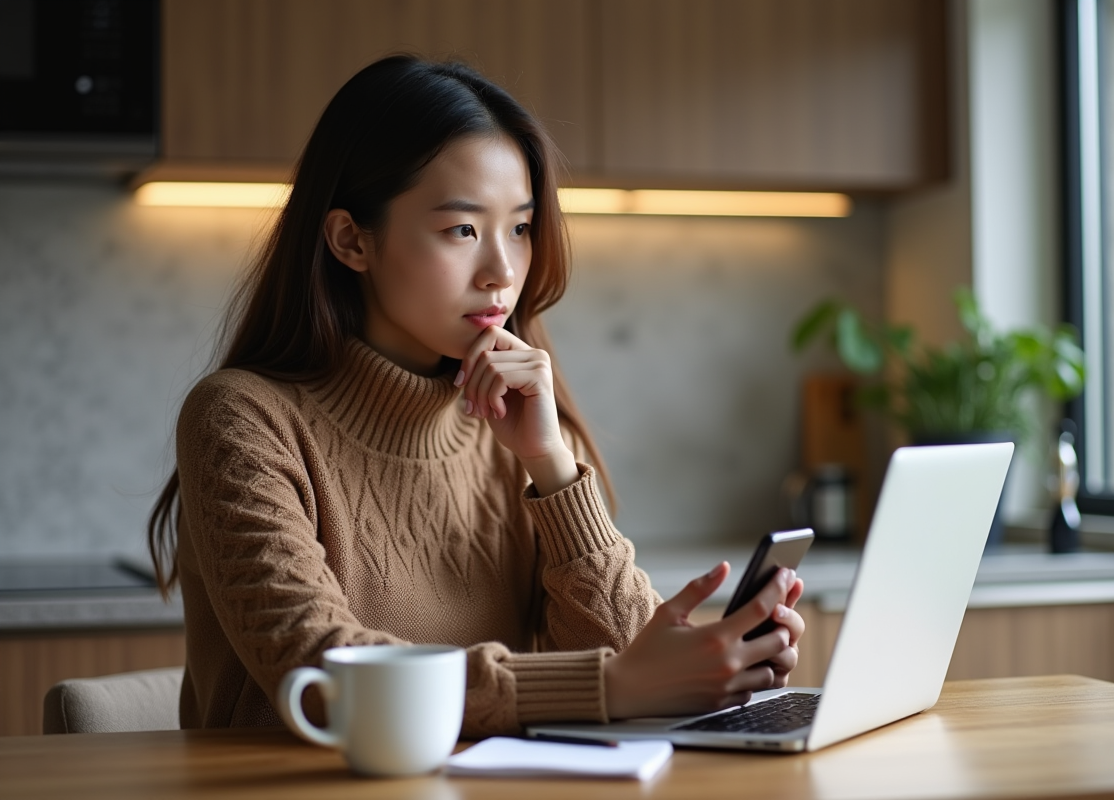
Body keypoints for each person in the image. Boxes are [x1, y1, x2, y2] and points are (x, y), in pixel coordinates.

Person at [147, 55, 805, 737]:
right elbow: (321, 673)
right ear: (351, 240)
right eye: (462, 230)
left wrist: (552, 469)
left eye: (520, 228)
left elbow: (637, 672)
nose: (502, 272)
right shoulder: (242, 419)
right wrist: (614, 682)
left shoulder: (525, 429)